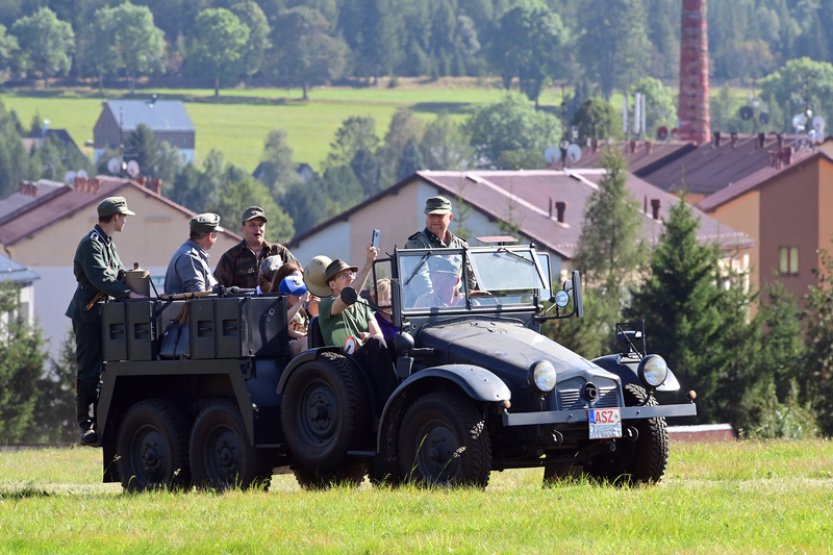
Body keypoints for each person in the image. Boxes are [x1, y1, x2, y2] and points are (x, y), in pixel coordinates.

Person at [65, 196, 145, 445]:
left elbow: (118, 272)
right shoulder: (91, 244)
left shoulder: (107, 243)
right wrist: (129, 294)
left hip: (106, 314)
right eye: (124, 217)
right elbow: (101, 278)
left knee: (107, 369)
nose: (125, 221)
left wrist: (137, 280)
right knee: (89, 368)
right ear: (115, 217)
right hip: (89, 314)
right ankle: (84, 425)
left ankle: (102, 421)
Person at [317, 251, 397, 411]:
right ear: (332, 285)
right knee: (375, 344)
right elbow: (348, 298)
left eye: (351, 274)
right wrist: (368, 265)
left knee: (397, 343)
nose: (351, 277)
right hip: (343, 362)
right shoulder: (326, 304)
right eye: (344, 276)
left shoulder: (363, 303)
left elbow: (378, 335)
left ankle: (399, 396)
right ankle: (393, 405)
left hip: (366, 356)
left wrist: (369, 336)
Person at [405, 195, 477, 293]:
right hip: (422, 304)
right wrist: (437, 301)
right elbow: (419, 279)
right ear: (426, 217)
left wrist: (463, 299)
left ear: (450, 217)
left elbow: (470, 278)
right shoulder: (416, 244)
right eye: (431, 216)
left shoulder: (460, 245)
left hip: (456, 304)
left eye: (440, 216)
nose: (435, 220)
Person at [214, 206, 297, 289]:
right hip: (245, 302)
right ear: (243, 228)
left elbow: (299, 277)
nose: (257, 228)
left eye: (261, 225)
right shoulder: (231, 257)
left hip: (276, 302)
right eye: (252, 225)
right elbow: (220, 290)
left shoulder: (279, 252)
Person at [163, 213, 223, 295]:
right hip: (187, 308)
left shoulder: (189, 253)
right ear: (210, 235)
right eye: (215, 234)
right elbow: (199, 295)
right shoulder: (190, 257)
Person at [279, 274, 310, 356]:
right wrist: (301, 301)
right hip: (289, 344)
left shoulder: (301, 309)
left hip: (302, 339)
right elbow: (283, 324)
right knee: (306, 342)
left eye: (302, 293)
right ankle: (305, 368)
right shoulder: (280, 308)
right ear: (287, 295)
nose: (300, 296)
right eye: (297, 294)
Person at [370, 278, 397, 346]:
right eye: (384, 298)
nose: (389, 302)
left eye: (391, 299)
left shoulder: (402, 320)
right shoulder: (372, 322)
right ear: (374, 299)